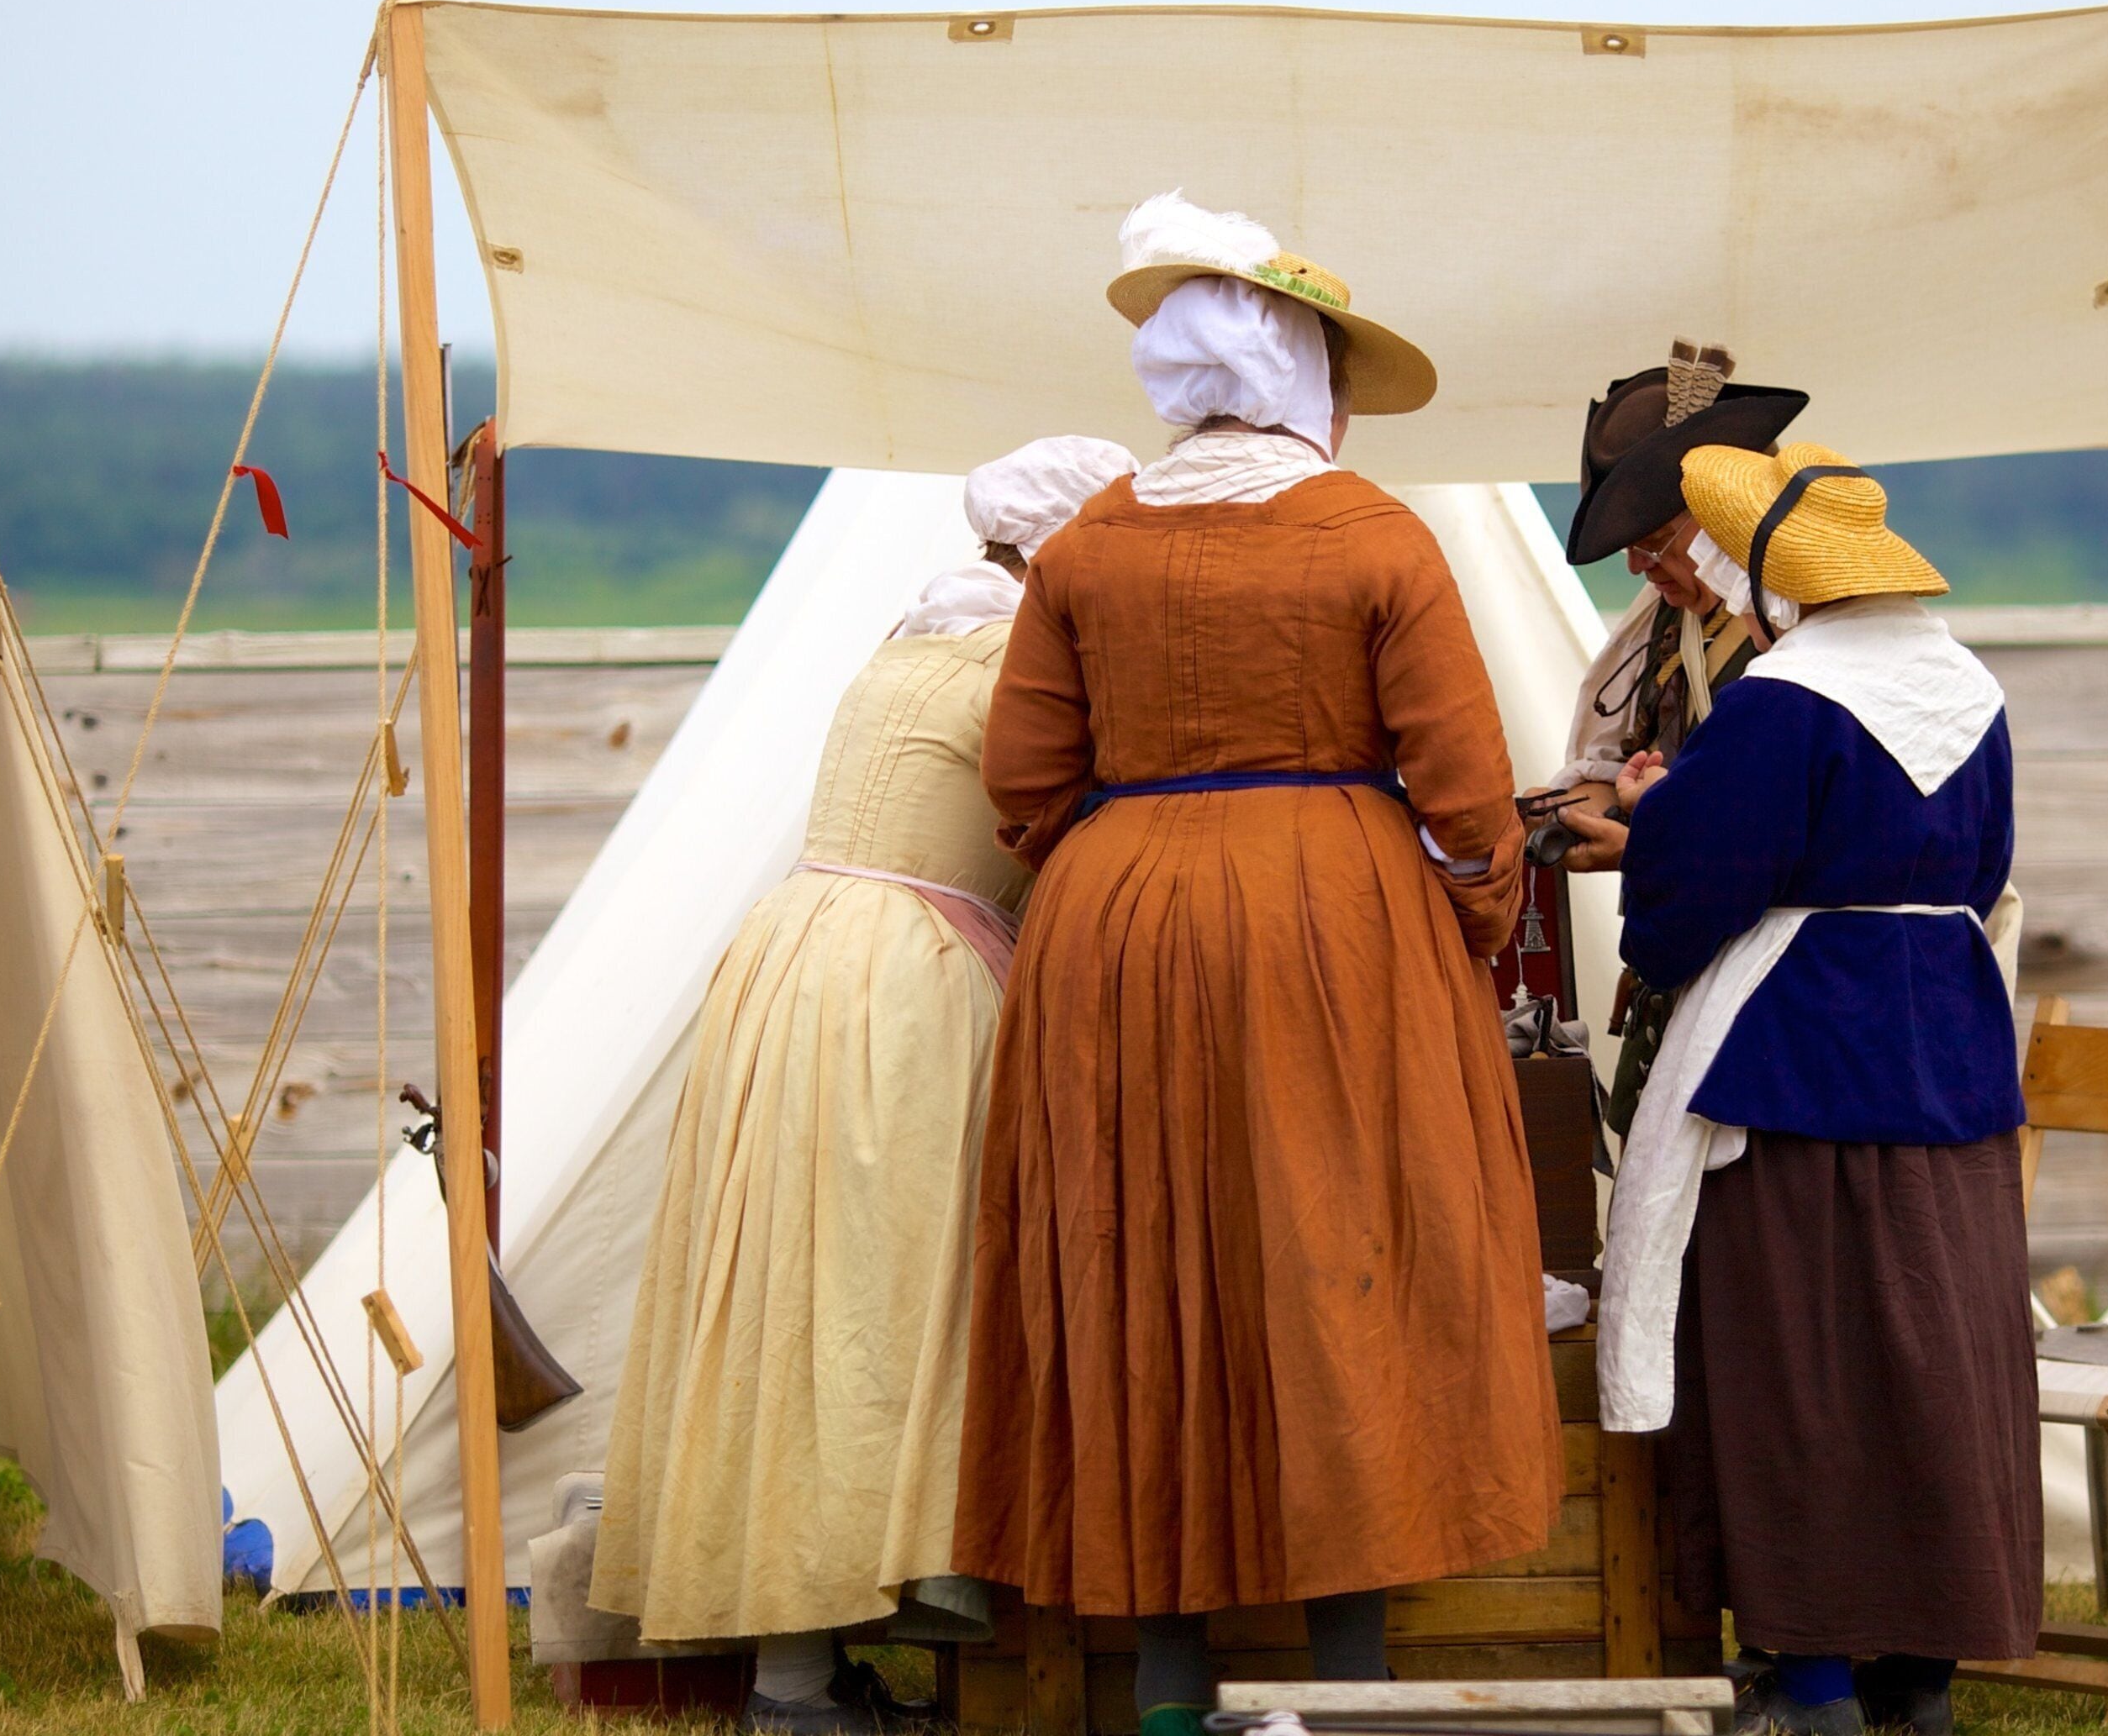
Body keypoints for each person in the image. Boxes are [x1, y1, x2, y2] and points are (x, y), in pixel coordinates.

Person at [957, 192, 1564, 1736]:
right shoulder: (1374, 535)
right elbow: (1467, 795)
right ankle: (1344, 1696)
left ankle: (1169, 1695)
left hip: (1115, 935)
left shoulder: (1091, 542)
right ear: (1308, 381)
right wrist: (1467, 929)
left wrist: (1120, 882)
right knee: (1338, 1261)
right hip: (1335, 932)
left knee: (1147, 1269)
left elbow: (1024, 773)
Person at [588, 434, 1141, 1732]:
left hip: (800, 960)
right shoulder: (1021, 659)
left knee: (800, 1304)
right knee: (878, 1318)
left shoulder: (912, 640)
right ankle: (808, 1674)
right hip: (900, 990)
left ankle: (800, 1669)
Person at [1592, 442, 2037, 1736]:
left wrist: (1653, 816)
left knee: (1798, 1368)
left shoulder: (1784, 699)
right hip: (1946, 1050)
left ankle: (1823, 1682)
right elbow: (1988, 864)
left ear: (1779, 583)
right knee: (1941, 1362)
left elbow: (1693, 891)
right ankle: (1924, 1677)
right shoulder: (1976, 689)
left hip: (1794, 1057)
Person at [1541, 346, 1810, 1145]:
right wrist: (1551, 817)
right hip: (1681, 978)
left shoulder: (1807, 630)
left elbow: (1793, 844)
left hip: (1774, 1001)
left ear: (1725, 515)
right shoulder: (1666, 624)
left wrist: (1644, 843)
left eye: (1655, 537)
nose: (1636, 564)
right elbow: (1605, 761)